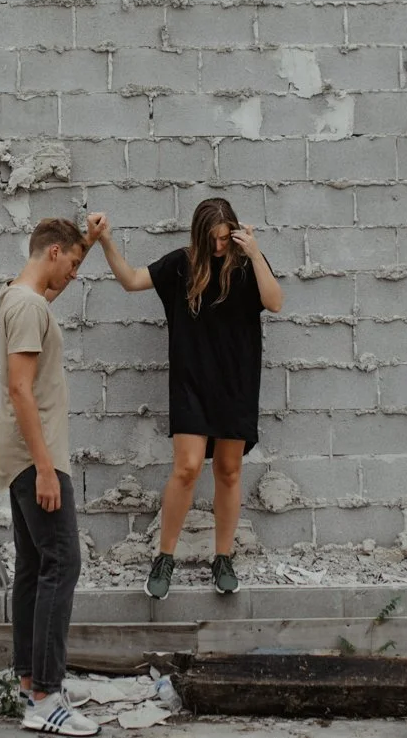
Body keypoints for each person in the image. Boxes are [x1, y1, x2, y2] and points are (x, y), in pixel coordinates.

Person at [89, 198, 283, 600]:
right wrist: (105, 241)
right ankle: (164, 558)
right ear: (200, 234)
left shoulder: (246, 265)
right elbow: (130, 280)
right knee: (187, 468)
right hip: (192, 382)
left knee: (229, 470)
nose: (218, 247)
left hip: (236, 382)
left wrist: (255, 252)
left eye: (224, 238)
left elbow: (275, 302)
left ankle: (223, 558)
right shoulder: (183, 264)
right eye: (212, 239)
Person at [0, 217, 100, 736]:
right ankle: (48, 697)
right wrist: (44, 469)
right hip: (36, 457)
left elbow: (42, 306)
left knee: (35, 567)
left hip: (18, 455)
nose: (75, 275)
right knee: (64, 561)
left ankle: (29, 684)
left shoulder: (17, 299)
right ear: (53, 252)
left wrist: (92, 244)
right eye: (73, 263)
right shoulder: (30, 305)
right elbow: (20, 389)